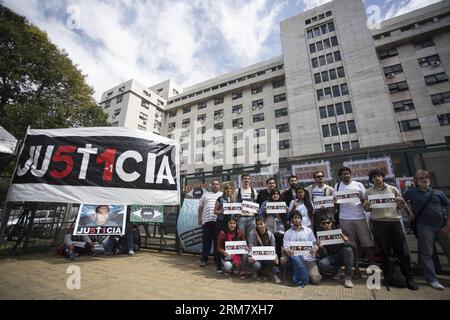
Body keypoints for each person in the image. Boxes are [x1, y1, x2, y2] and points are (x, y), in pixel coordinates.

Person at [363, 169, 419, 290]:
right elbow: (368, 210)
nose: (377, 178)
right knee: (384, 252)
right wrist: (366, 206)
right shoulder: (368, 192)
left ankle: (409, 278)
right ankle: (389, 277)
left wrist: (401, 202)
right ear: (371, 179)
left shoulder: (392, 189)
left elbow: (401, 206)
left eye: (379, 176)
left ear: (383, 177)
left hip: (394, 222)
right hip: (378, 223)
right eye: (374, 177)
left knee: (402, 251)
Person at [404, 170, 450, 291]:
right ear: (416, 181)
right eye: (421, 178)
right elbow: (402, 202)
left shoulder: (438, 193)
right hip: (424, 227)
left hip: (442, 226)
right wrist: (408, 214)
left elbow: (448, 208)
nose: (425, 179)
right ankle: (432, 279)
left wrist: (448, 226)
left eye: (427, 177)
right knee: (426, 254)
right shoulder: (411, 193)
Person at [334, 167, 375, 270]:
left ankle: (373, 268)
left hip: (360, 217)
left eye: (347, 173)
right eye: (343, 174)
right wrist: (334, 201)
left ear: (350, 174)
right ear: (340, 176)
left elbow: (366, 200)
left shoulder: (358, 185)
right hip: (344, 218)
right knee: (351, 245)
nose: (346, 175)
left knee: (367, 244)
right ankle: (356, 269)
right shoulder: (337, 186)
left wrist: (363, 201)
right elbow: (335, 201)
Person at [282, 211, 322, 286]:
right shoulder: (287, 233)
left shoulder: (308, 231)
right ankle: (299, 275)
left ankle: (305, 273)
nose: (297, 220)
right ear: (291, 220)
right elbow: (285, 247)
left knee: (316, 280)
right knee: (283, 260)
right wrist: (287, 251)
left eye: (298, 218)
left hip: (308, 259)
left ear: (301, 219)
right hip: (295, 260)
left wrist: (315, 249)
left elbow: (314, 244)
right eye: (295, 218)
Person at [317, 216, 355, 288]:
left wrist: (346, 241)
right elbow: (325, 255)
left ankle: (348, 278)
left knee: (348, 249)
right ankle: (337, 270)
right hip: (332, 258)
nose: (326, 225)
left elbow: (354, 246)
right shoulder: (320, 235)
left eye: (328, 222)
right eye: (324, 223)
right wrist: (321, 248)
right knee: (321, 264)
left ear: (331, 223)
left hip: (343, 255)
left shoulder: (340, 231)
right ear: (321, 225)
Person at [247, 216, 282, 284]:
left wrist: (276, 257)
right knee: (256, 265)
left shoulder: (270, 234)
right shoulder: (252, 233)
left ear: (265, 224)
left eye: (261, 224)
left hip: (267, 257)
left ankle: (274, 275)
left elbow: (273, 249)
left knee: (274, 263)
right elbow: (251, 247)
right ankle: (256, 271)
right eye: (258, 224)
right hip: (257, 258)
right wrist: (250, 256)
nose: (260, 226)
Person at [198, 180, 223, 269]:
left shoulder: (222, 195)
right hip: (207, 221)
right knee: (206, 242)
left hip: (218, 222)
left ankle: (217, 261)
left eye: (217, 184)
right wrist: (199, 218)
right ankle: (204, 260)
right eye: (213, 184)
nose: (215, 185)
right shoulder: (205, 195)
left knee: (217, 242)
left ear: (219, 186)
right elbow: (200, 207)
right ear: (210, 186)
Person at [258, 190, 288, 258]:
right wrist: (264, 212)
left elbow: (287, 218)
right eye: (273, 194)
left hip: (280, 227)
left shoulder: (282, 203)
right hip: (269, 226)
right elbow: (260, 215)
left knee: (279, 244)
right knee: (270, 244)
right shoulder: (266, 203)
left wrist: (287, 211)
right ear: (271, 195)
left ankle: (279, 261)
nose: (275, 195)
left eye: (277, 194)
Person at [213, 183, 235, 272]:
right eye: (227, 189)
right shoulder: (220, 199)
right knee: (219, 243)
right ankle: (218, 265)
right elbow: (215, 211)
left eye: (230, 189)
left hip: (230, 224)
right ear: (224, 190)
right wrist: (222, 211)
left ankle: (228, 265)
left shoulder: (233, 199)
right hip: (221, 223)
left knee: (229, 243)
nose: (228, 190)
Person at [234, 174, 258, 241]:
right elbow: (234, 203)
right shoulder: (237, 191)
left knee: (251, 238)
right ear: (242, 180)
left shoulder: (253, 191)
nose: (246, 180)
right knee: (241, 238)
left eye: (248, 178)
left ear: (250, 180)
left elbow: (255, 203)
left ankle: (250, 251)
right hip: (241, 217)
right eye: (245, 178)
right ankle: (241, 251)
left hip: (252, 218)